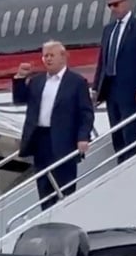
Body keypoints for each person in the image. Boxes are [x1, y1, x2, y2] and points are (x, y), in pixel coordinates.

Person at [12, 40, 94, 209]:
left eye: (51, 55)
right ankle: (46, 216)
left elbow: (86, 113)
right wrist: (20, 78)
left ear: (63, 57)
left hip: (64, 140)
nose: (48, 59)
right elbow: (19, 99)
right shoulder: (37, 81)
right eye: (45, 56)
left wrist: (83, 136)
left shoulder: (76, 82)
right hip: (41, 139)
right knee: (44, 186)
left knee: (65, 185)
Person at [92, 0, 136, 163]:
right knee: (117, 135)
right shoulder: (109, 30)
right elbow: (103, 61)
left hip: (131, 91)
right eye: (109, 6)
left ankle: (135, 168)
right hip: (111, 90)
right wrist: (96, 88)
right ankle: (122, 166)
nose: (113, 8)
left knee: (131, 134)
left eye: (116, 4)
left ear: (127, 3)